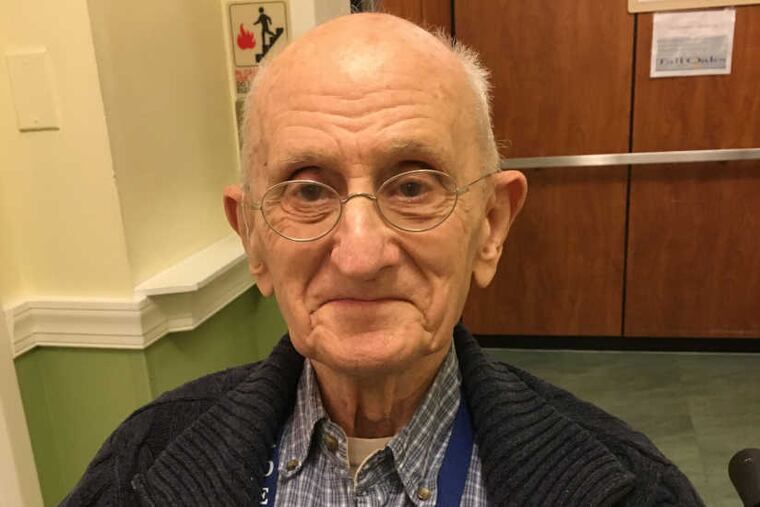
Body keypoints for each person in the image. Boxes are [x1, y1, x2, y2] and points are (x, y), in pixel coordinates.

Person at [63, 13, 704, 506]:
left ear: (490, 226)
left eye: (413, 186)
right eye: (308, 192)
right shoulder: (137, 469)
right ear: (252, 238)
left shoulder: (633, 491)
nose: (361, 254)